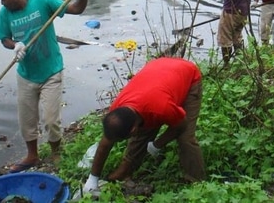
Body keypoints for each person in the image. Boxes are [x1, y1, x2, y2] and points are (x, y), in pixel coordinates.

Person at [0, 0, 89, 173]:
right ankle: (32, 156)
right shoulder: (5, 13)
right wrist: (15, 45)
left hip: (50, 72)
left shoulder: (43, 2)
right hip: (26, 74)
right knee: (26, 120)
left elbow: (76, 9)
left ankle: (56, 152)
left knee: (50, 120)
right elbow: (4, 38)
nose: (2, 3)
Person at [82, 57, 205, 193]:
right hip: (159, 71)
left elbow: (181, 124)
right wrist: (93, 179)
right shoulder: (116, 112)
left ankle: (197, 184)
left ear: (133, 129)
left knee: (185, 138)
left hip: (188, 76)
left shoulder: (161, 107)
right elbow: (105, 144)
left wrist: (158, 144)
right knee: (142, 135)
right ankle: (124, 172)